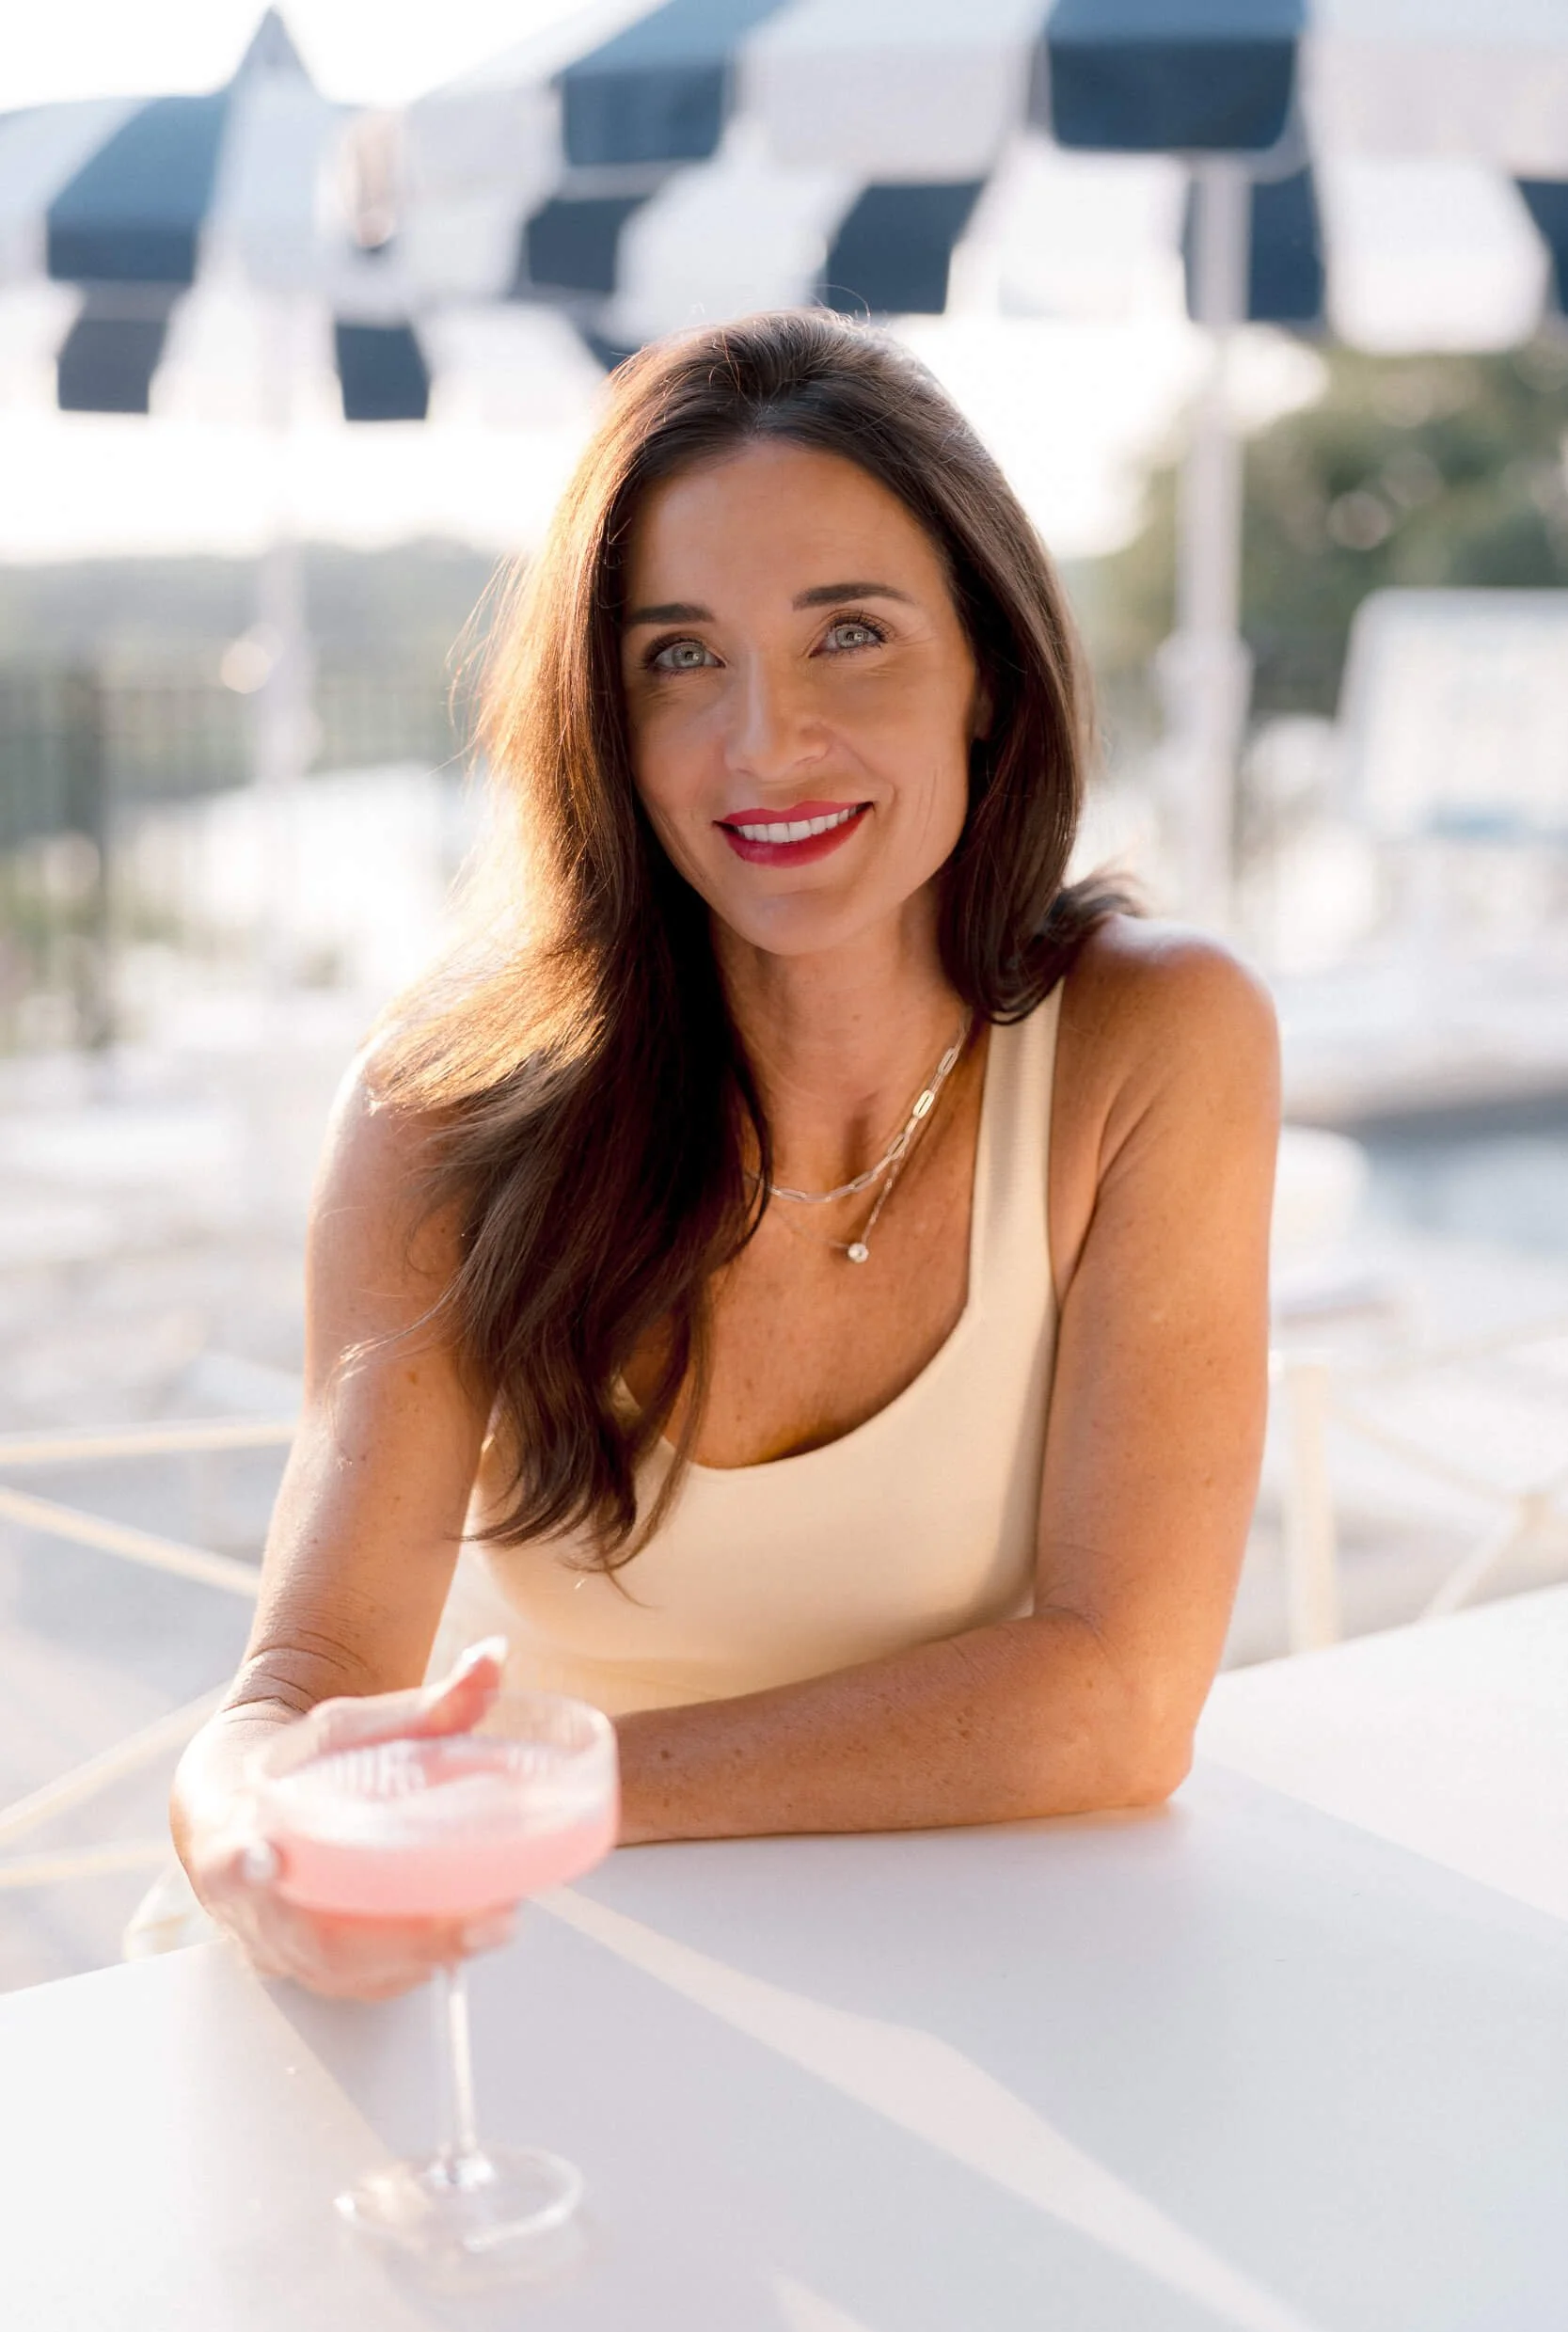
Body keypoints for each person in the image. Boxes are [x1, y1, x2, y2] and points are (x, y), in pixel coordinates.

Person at [168, 310, 1278, 2000]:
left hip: (981, 1980)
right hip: (532, 1962)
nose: (764, 742)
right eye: (679, 656)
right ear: (601, 720)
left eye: (850, 635)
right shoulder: (446, 1110)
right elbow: (295, 1690)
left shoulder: (1152, 1043)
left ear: (986, 672)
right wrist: (253, 1831)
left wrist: (556, 1782)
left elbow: (1119, 1702)